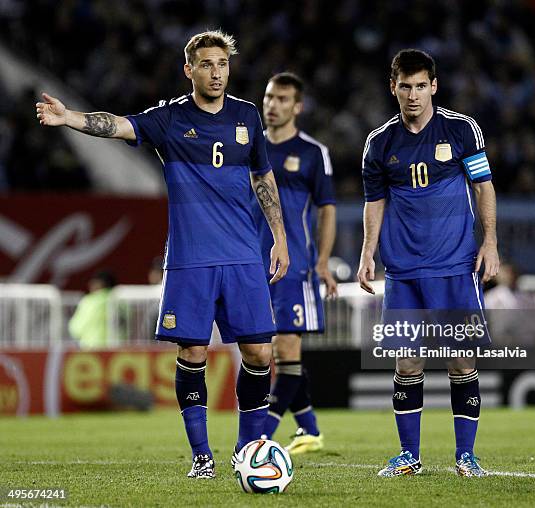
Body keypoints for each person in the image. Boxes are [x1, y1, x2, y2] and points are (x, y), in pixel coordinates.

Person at [36, 30, 289, 480]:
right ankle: (201, 456)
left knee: (259, 353)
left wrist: (280, 238)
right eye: (206, 65)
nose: (216, 73)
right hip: (191, 258)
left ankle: (248, 448)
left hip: (242, 256)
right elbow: (117, 124)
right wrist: (70, 117)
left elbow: (263, 179)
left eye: (222, 64)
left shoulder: (247, 117)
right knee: (193, 353)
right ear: (188, 70)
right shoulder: (170, 120)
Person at [357, 49, 499, 477]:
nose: (414, 95)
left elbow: (484, 186)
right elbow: (374, 201)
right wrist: (367, 251)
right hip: (403, 272)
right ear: (393, 87)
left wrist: (490, 242)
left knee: (462, 361)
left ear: (434, 86)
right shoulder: (379, 144)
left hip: (455, 266)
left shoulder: (461, 129)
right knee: (406, 363)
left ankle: (466, 456)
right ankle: (409, 456)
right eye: (406, 86)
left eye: (421, 86)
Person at [253, 73, 337, 454]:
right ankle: (310, 429)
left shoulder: (311, 152)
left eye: (282, 99)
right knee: (266, 351)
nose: (273, 104)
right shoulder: (250, 147)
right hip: (252, 264)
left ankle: (260, 434)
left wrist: (321, 262)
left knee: (286, 348)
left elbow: (327, 210)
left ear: (297, 106)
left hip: (295, 264)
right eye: (270, 97)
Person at [68, 270, 116, 349]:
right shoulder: (123, 302)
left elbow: (76, 328)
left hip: (93, 349)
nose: (90, 285)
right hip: (120, 350)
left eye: (93, 283)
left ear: (100, 284)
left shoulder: (90, 301)